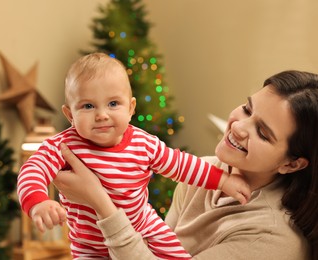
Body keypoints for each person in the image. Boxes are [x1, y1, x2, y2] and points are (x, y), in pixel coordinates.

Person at [55, 70, 318, 260]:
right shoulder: (204, 172)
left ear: (292, 164)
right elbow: (155, 249)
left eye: (262, 132)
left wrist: (101, 203)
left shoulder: (271, 241)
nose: (238, 127)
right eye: (247, 109)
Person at [17, 52, 251, 259]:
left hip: (144, 229)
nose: (101, 115)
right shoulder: (64, 146)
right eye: (88, 106)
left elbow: (182, 165)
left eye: (113, 104)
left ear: (130, 108)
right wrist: (38, 202)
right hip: (89, 247)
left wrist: (223, 180)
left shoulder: (144, 144)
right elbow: (32, 169)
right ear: (70, 115)